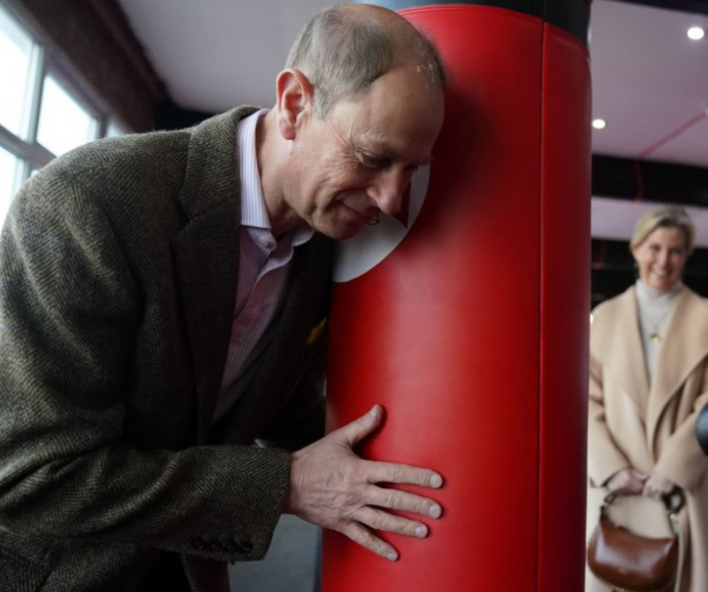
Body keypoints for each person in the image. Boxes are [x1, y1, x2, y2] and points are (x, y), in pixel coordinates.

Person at [0, 5, 447, 591]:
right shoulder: (87, 202)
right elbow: (28, 477)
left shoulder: (327, 245)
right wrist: (284, 485)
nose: (393, 201)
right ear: (294, 104)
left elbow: (267, 403)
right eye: (373, 158)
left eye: (411, 169)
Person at [587, 206, 708, 592]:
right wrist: (611, 468)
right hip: (620, 488)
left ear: (687, 255)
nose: (663, 261)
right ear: (636, 249)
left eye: (675, 250)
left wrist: (673, 468)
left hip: (685, 483)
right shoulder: (602, 318)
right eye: (654, 247)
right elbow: (585, 403)